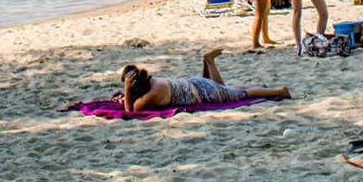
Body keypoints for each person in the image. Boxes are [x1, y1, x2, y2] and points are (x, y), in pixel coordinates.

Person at [120, 50, 290, 112]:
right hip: (195, 83)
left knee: (244, 93)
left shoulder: (150, 97)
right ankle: (208, 62)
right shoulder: (153, 81)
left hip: (204, 92)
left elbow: (130, 111)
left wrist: (127, 90)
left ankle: (280, 91)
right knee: (232, 88)